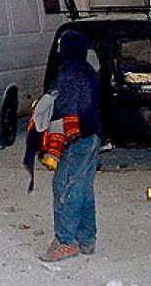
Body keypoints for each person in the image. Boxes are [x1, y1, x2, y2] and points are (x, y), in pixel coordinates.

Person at [39, 30, 102, 262]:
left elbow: (69, 108)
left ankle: (66, 241)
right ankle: (86, 238)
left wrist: (56, 141)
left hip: (77, 138)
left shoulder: (71, 73)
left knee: (65, 186)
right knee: (83, 188)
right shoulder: (85, 70)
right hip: (91, 135)